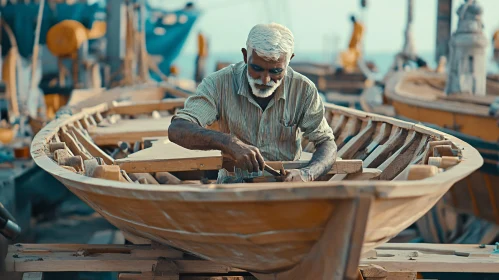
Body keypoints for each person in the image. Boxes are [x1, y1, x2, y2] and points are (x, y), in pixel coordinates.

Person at [168, 23, 337, 182]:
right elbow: (177, 128)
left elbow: (327, 143)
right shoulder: (218, 84)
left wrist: (308, 174)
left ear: (289, 60)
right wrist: (228, 142)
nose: (265, 79)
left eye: (276, 71)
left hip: (285, 190)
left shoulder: (304, 89)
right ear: (244, 55)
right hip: (233, 188)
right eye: (256, 68)